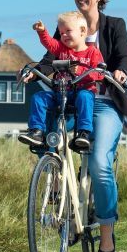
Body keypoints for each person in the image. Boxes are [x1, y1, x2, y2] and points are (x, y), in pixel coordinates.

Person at [24, 0, 127, 252]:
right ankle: (60, 192)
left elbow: (125, 56)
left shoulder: (113, 26)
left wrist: (120, 71)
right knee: (49, 139)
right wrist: (34, 71)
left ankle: (107, 233)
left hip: (103, 102)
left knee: (99, 163)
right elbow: (52, 58)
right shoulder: (68, 26)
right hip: (70, 100)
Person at [18, 11, 104, 152]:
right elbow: (50, 44)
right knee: (39, 97)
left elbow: (99, 74)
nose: (63, 35)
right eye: (61, 32)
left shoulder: (92, 53)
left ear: (83, 31)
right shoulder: (62, 49)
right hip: (60, 93)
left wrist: (81, 72)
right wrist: (42, 32)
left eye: (68, 31)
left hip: (80, 93)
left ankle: (83, 133)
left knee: (85, 97)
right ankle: (37, 132)